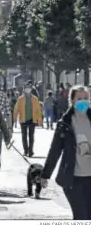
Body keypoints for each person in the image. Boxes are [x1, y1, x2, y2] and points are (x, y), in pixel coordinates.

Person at [41, 85, 91, 220]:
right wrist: (45, 174)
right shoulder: (65, 123)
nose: (83, 101)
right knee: (81, 216)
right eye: (79, 98)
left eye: (86, 98)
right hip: (72, 178)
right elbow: (55, 150)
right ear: (72, 101)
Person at [13, 83, 43, 157]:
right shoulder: (20, 99)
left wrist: (40, 120)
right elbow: (16, 109)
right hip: (23, 119)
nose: (27, 89)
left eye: (29, 88)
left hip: (32, 119)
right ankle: (25, 150)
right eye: (26, 88)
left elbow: (38, 110)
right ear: (24, 89)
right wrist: (14, 119)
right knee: (24, 136)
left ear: (31, 89)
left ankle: (30, 151)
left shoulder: (35, 99)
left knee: (31, 136)